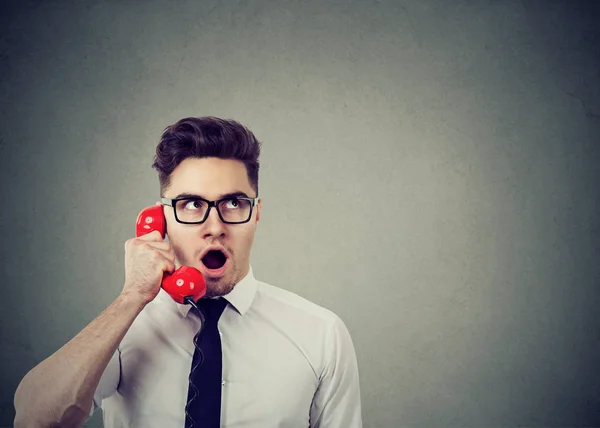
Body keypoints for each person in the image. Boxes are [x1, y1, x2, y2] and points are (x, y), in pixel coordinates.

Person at [13, 116, 363, 428]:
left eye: (233, 203)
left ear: (256, 213)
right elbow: (34, 419)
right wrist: (132, 297)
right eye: (192, 205)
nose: (215, 227)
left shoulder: (321, 335)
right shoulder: (124, 331)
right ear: (160, 219)